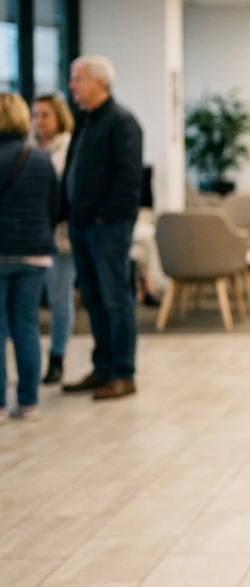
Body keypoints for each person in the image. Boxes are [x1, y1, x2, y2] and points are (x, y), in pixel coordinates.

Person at [60, 55, 144, 401]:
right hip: (82, 225)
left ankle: (123, 373)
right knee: (93, 299)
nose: (72, 86)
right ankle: (103, 367)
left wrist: (103, 216)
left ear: (98, 82)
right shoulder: (86, 120)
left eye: (77, 79)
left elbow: (129, 178)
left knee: (114, 299)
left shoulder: (122, 122)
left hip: (107, 226)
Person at [0, 93, 60, 421]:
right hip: (35, 253)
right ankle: (28, 402)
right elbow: (54, 206)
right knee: (26, 325)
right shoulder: (40, 159)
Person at [32, 94, 75, 384]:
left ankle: (57, 356)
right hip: (31, 235)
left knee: (59, 298)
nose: (39, 121)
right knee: (27, 303)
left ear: (59, 116)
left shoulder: (69, 148)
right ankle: (29, 361)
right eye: (35, 115)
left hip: (61, 235)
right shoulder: (27, 149)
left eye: (45, 115)